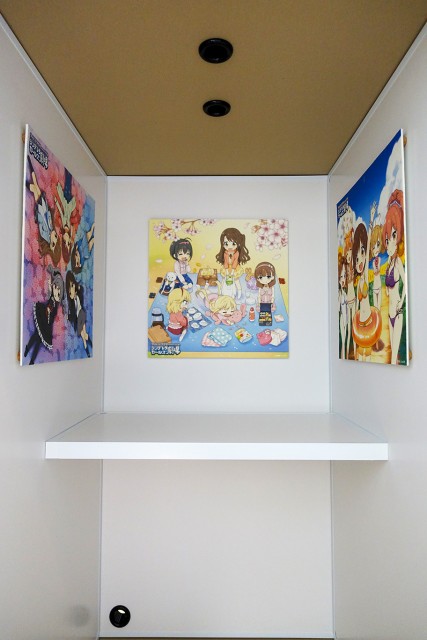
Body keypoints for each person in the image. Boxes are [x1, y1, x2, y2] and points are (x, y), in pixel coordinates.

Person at [351, 204, 382, 361]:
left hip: (369, 320)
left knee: (367, 356)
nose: (360, 261)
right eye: (356, 258)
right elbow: (357, 303)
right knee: (360, 355)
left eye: (362, 254)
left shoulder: (364, 276)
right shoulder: (357, 282)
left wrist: (371, 219)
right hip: (360, 321)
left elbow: (368, 243)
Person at [382, 189, 406, 365]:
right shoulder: (389, 264)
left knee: (393, 359)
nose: (389, 243)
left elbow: (405, 284)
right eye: (387, 239)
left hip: (396, 313)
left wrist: (401, 302)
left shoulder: (397, 263)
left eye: (393, 236)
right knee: (392, 359)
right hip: (389, 313)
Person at [23, 265, 65, 364]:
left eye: (59, 291)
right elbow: (49, 295)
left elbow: (52, 315)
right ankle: (28, 350)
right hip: (43, 318)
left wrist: (50, 312)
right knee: (35, 337)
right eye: (56, 288)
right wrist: (50, 285)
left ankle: (31, 358)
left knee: (37, 340)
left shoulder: (56, 305)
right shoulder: (52, 297)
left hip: (46, 323)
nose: (57, 291)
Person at [215, 227, 250, 299]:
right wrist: (227, 271)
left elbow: (235, 262)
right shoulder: (225, 253)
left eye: (233, 244)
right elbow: (225, 262)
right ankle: (221, 291)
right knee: (224, 279)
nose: (230, 247)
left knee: (236, 280)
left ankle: (239, 291)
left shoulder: (236, 253)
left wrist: (233, 271)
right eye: (226, 244)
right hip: (227, 268)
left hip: (235, 268)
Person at [66, 270, 92, 357]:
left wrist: (78, 288)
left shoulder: (78, 296)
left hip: (81, 314)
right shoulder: (71, 304)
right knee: (84, 336)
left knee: (83, 334)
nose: (72, 290)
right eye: (70, 291)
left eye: (72, 286)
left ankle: (89, 349)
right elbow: (72, 315)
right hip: (78, 318)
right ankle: (88, 352)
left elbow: (81, 292)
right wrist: (68, 317)